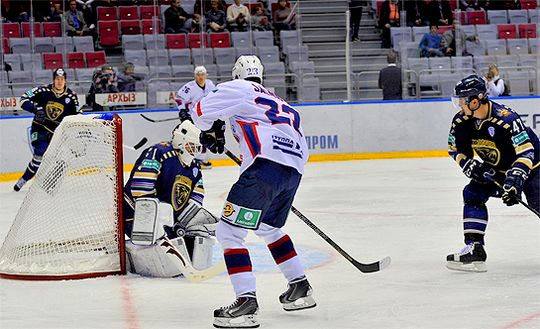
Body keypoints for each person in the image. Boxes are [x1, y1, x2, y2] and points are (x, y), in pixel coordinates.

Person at [189, 55, 315, 328]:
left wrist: (208, 128)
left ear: (237, 75)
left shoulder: (239, 88)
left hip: (263, 169)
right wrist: (219, 130)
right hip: (292, 171)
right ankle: (299, 286)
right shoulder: (278, 100)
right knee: (269, 228)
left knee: (229, 232)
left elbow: (199, 112)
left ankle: (246, 302)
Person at [446, 74, 539, 272]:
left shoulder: (507, 119)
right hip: (497, 169)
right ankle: (475, 249)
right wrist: (468, 165)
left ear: (475, 100)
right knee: (472, 194)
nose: (459, 106)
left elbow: (526, 152)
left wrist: (516, 180)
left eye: (462, 101)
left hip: (532, 168)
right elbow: (455, 149)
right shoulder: (461, 121)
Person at [123, 121, 219, 277]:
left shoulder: (194, 166)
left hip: (168, 220)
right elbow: (140, 190)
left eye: (197, 147)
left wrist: (192, 222)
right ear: (180, 141)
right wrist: (160, 219)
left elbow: (196, 196)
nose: (195, 151)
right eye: (191, 146)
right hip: (136, 216)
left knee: (199, 231)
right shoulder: (159, 153)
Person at [13, 68, 81, 191]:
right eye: (57, 79)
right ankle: (23, 180)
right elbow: (23, 99)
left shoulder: (72, 96)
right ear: (53, 79)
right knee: (40, 153)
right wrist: (35, 110)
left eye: (62, 79)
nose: (59, 81)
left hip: (58, 133)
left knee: (63, 160)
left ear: (65, 80)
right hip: (40, 128)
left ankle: (50, 184)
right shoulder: (42, 90)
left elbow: (78, 114)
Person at [176, 66, 216, 169]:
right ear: (195, 76)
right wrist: (182, 111)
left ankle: (201, 158)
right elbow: (179, 99)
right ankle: (191, 159)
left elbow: (216, 97)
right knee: (193, 137)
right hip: (192, 117)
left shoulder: (210, 85)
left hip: (205, 116)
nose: (200, 77)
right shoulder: (189, 87)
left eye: (202, 74)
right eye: (198, 75)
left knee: (204, 137)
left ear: (206, 75)